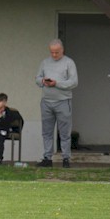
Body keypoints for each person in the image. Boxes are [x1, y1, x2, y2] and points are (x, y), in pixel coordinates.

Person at [34, 39, 78, 168]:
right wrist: (43, 81)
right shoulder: (45, 63)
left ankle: (66, 158)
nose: (54, 55)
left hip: (63, 102)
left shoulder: (69, 63)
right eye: (52, 52)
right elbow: (37, 79)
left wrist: (57, 83)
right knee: (47, 132)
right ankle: (47, 158)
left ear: (62, 50)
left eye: (56, 52)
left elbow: (74, 82)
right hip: (46, 102)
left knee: (64, 132)